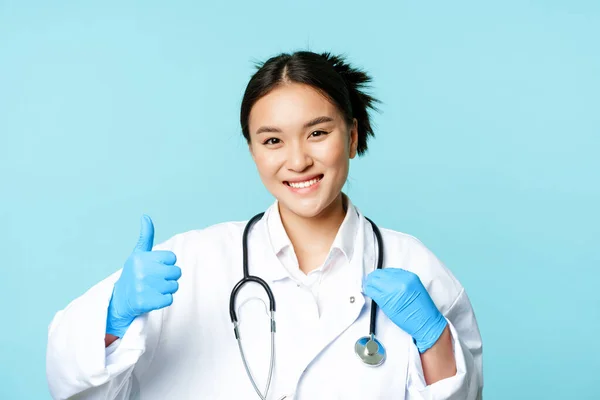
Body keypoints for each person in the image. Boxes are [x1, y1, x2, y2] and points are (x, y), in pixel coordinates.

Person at [46, 50, 483, 399]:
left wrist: (433, 338)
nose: (297, 161)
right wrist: (113, 320)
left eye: (317, 133)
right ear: (253, 151)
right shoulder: (191, 263)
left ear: (351, 137)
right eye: (272, 140)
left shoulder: (415, 267)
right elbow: (76, 386)